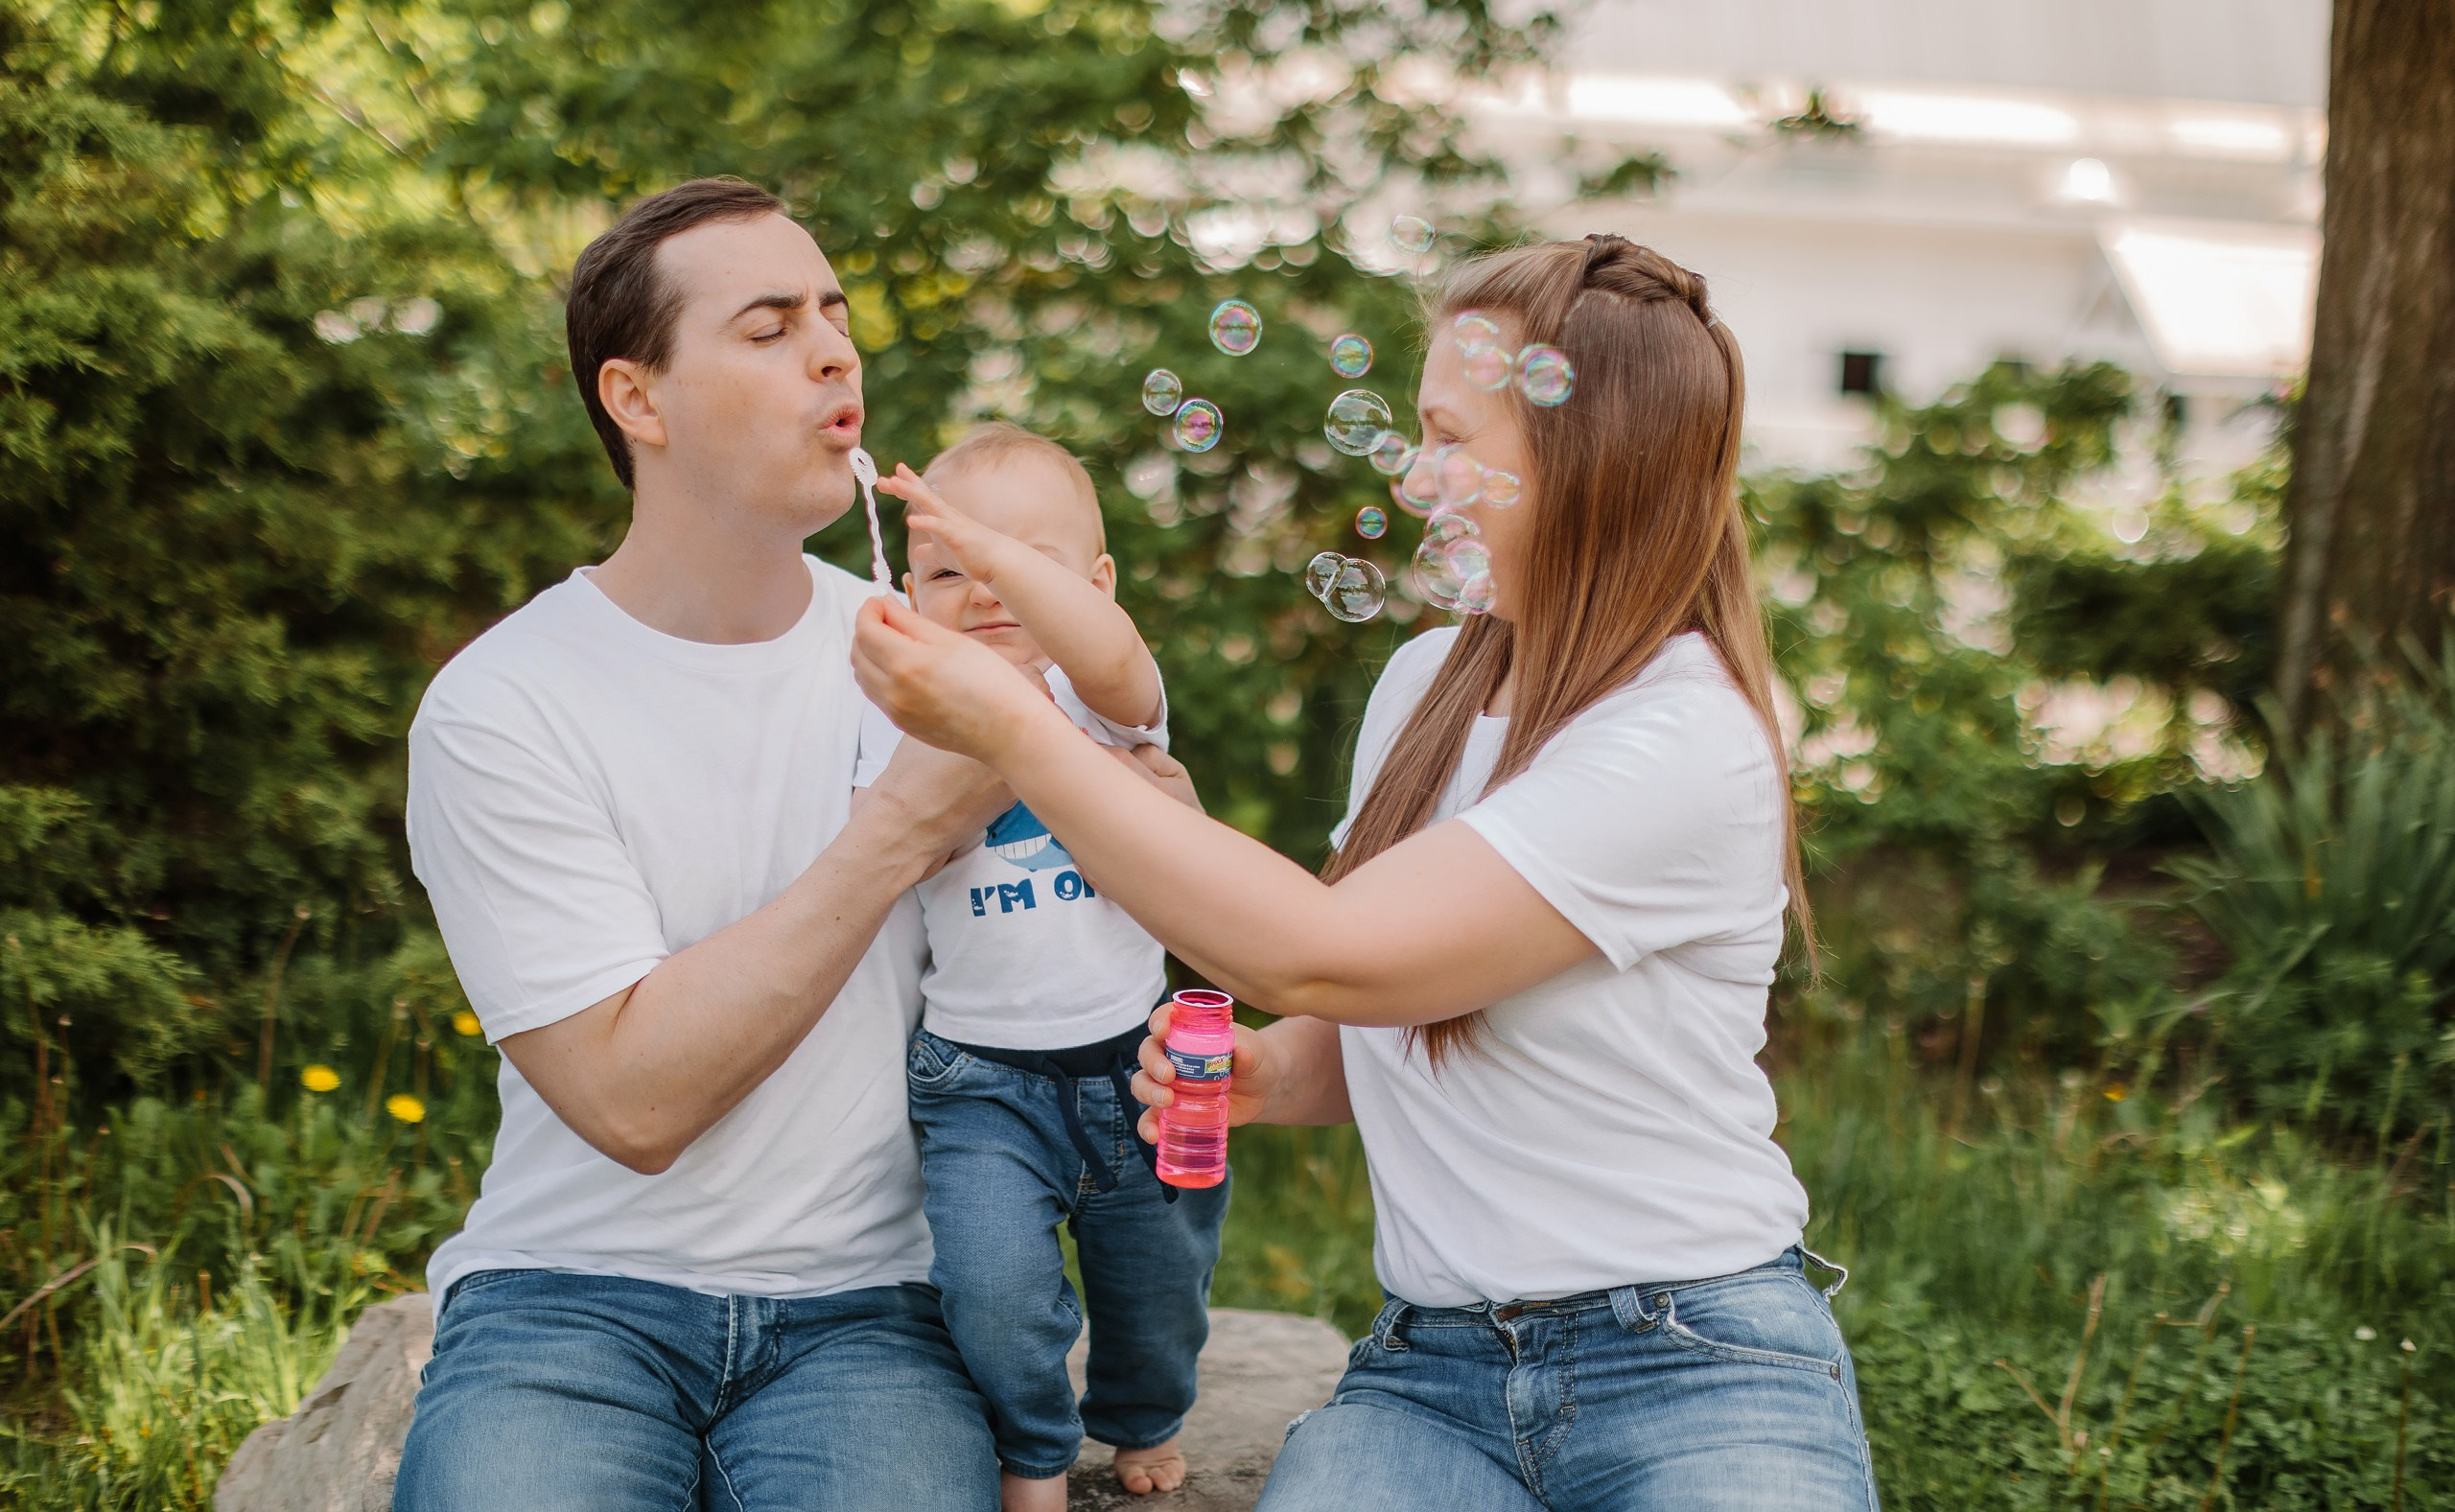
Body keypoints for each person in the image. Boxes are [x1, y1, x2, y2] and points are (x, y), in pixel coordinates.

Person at [851, 236, 1882, 1511]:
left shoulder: (1681, 732)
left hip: (1694, 1354)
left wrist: (1014, 729)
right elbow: (1370, 1002)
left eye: (1453, 436)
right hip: (1434, 1367)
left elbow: (1323, 948)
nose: (1415, 468)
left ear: (1586, 457)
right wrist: (1266, 1071)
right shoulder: (1423, 687)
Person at [394, 176, 1178, 1511]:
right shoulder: (503, 703)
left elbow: (1130, 869)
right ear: (636, 399)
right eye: (768, 328)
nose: (833, 351)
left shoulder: (939, 652)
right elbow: (630, 1100)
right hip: (569, 1298)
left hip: (868, 1312)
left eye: (838, 315)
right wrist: (902, 829)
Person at [854, 427, 1228, 1509]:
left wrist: (986, 551)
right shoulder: (903, 720)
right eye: (947, 568)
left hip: (1135, 1064)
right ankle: (1031, 1447)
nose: (985, 586)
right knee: (990, 1288)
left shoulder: (1107, 702)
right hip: (979, 1079)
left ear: (1098, 587)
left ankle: (1141, 1415)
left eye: (1023, 559)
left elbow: (1109, 653)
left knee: (1158, 1283)